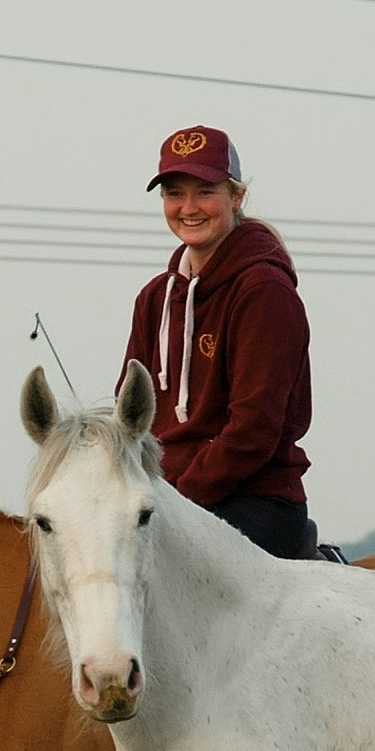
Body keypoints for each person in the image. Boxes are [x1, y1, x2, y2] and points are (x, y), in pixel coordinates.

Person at [122, 125, 332, 560]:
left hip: (254, 499)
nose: (189, 208)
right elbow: (131, 418)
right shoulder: (154, 298)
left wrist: (177, 503)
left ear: (236, 197)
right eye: (174, 193)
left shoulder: (264, 291)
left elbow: (254, 430)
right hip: (167, 502)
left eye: (205, 192)